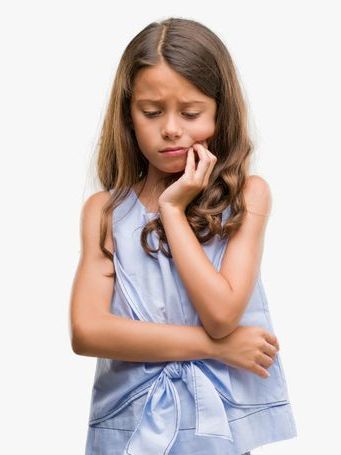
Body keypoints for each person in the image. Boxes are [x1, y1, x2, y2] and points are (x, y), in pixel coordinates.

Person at [69, 17, 298, 455]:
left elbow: (221, 313)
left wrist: (172, 210)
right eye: (152, 112)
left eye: (190, 113)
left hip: (216, 435)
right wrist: (218, 349)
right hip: (129, 430)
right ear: (128, 113)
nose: (171, 128)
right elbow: (87, 330)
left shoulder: (249, 195)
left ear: (219, 112)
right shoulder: (105, 211)